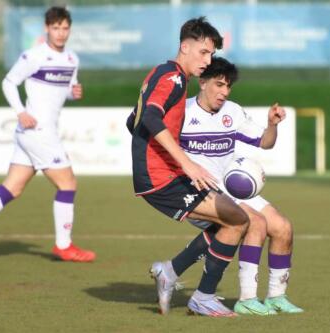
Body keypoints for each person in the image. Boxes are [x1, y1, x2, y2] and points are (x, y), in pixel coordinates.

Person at [126, 17, 249, 317]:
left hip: (161, 172)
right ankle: (203, 296)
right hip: (161, 177)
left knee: (227, 222)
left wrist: (150, 153)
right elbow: (150, 119)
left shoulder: (163, 73)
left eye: (211, 54)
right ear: (185, 46)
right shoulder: (174, 79)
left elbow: (133, 121)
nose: (208, 61)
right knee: (237, 220)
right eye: (203, 53)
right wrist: (184, 163)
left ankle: (171, 271)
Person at [168, 57, 303, 315]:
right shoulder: (182, 112)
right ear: (202, 82)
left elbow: (265, 142)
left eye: (228, 87)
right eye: (219, 85)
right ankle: (247, 299)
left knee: (283, 228)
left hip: (232, 186)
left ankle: (277, 296)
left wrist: (272, 125)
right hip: (202, 191)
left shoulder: (233, 111)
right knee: (257, 224)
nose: (224, 92)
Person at [0, 6, 95, 263]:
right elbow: (8, 82)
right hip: (38, 131)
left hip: (35, 133)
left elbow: (63, 90)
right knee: (68, 183)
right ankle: (63, 245)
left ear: (69, 29)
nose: (60, 33)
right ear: (47, 28)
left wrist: (72, 93)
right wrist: (20, 111)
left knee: (12, 187)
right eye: (55, 28)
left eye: (65, 28)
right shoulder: (34, 56)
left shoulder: (71, 59)